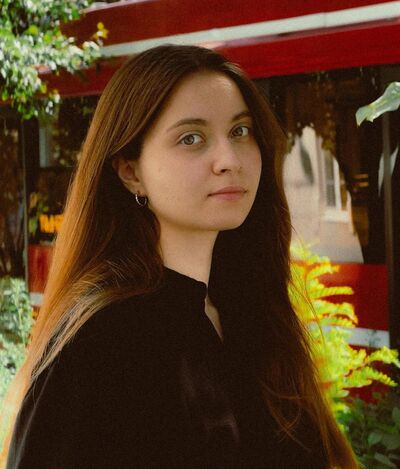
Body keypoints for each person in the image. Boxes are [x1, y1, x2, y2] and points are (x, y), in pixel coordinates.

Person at [3, 45, 358, 468]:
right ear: (130, 171)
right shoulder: (101, 341)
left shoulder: (249, 309)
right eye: (191, 138)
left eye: (241, 131)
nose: (229, 160)